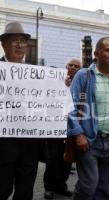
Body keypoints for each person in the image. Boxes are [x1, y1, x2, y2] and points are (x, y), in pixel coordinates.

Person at [0, 22, 40, 200]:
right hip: (1, 143)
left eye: (23, 41)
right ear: (4, 45)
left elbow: (47, 101)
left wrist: (61, 88)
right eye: (14, 41)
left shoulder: (36, 72)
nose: (19, 45)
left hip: (29, 143)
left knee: (25, 190)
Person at [68, 37, 109, 200]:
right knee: (88, 185)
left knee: (105, 189)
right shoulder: (84, 75)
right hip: (89, 141)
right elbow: (70, 107)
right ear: (96, 54)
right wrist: (78, 134)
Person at [43, 58, 81, 199]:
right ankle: (49, 187)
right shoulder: (56, 81)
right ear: (65, 67)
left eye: (76, 66)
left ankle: (61, 186)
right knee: (53, 159)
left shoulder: (81, 84)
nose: (72, 67)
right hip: (54, 127)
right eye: (70, 65)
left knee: (67, 159)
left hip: (71, 129)